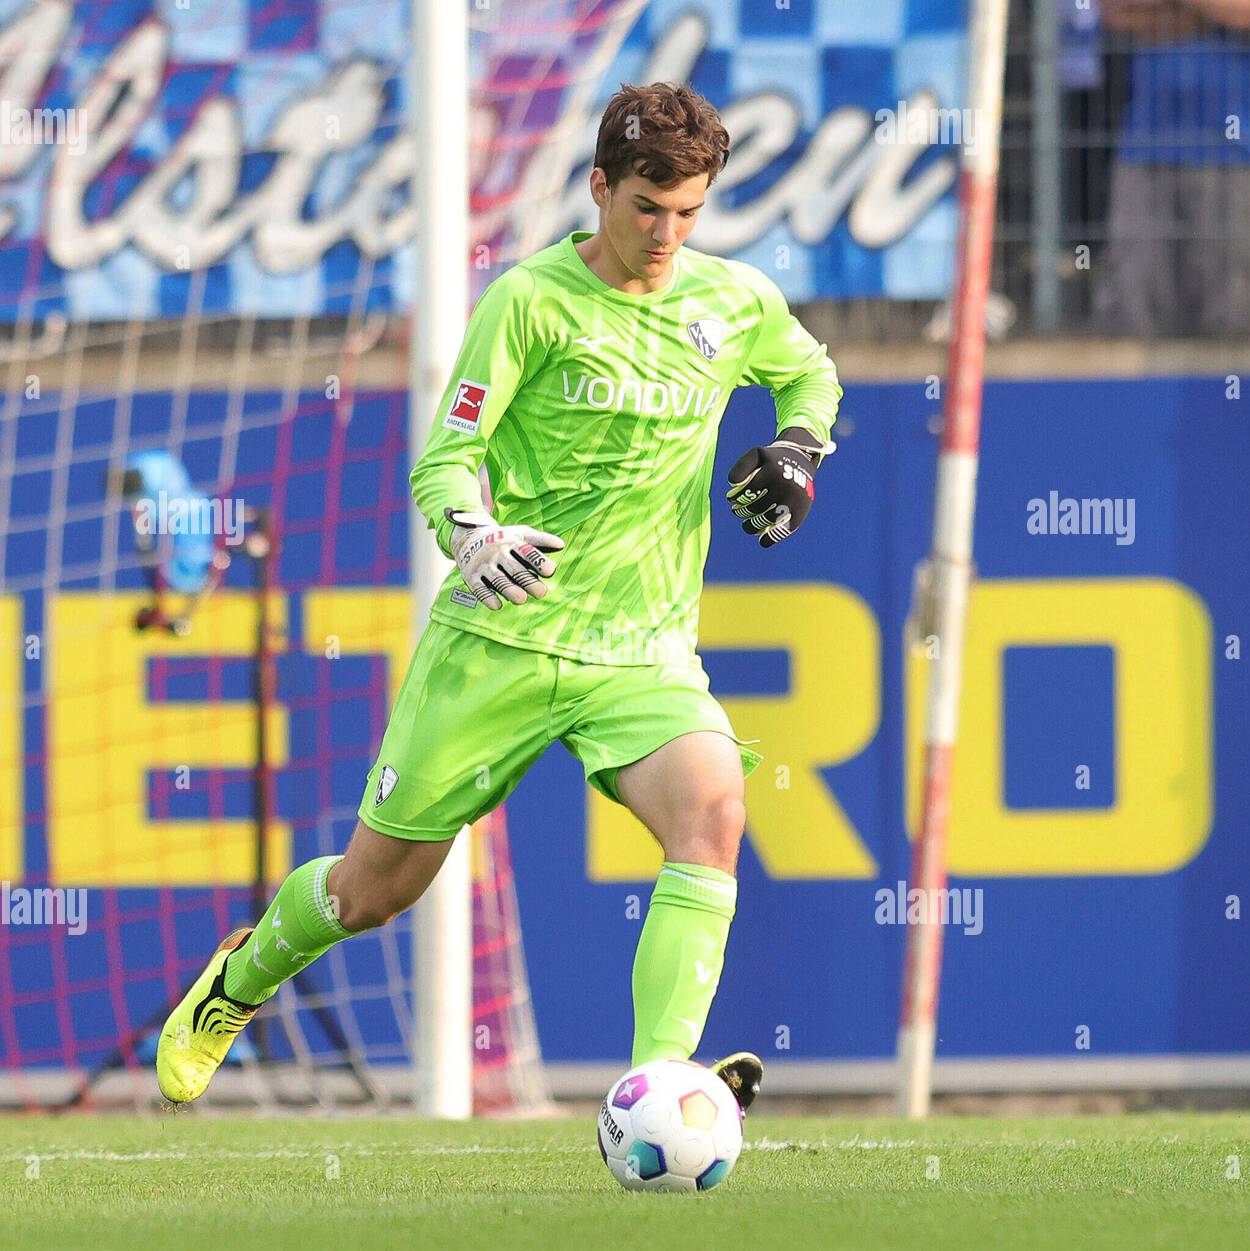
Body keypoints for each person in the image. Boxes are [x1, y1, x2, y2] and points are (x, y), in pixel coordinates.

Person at [155, 82, 843, 1114]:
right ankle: (238, 980)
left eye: (688, 212)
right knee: (371, 892)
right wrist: (471, 536)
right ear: (600, 186)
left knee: (713, 810)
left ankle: (658, 1079)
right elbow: (447, 460)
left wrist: (797, 446)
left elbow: (811, 375)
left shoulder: (732, 301)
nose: (666, 234)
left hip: (640, 651)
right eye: (646, 207)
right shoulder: (527, 302)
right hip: (501, 642)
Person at [1099, 0, 1250, 334]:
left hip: (1233, 151)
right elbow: (1115, 13)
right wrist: (1210, 15)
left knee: (1239, 312)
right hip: (1144, 149)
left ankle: (1229, 388)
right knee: (1133, 306)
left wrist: (1174, 11)